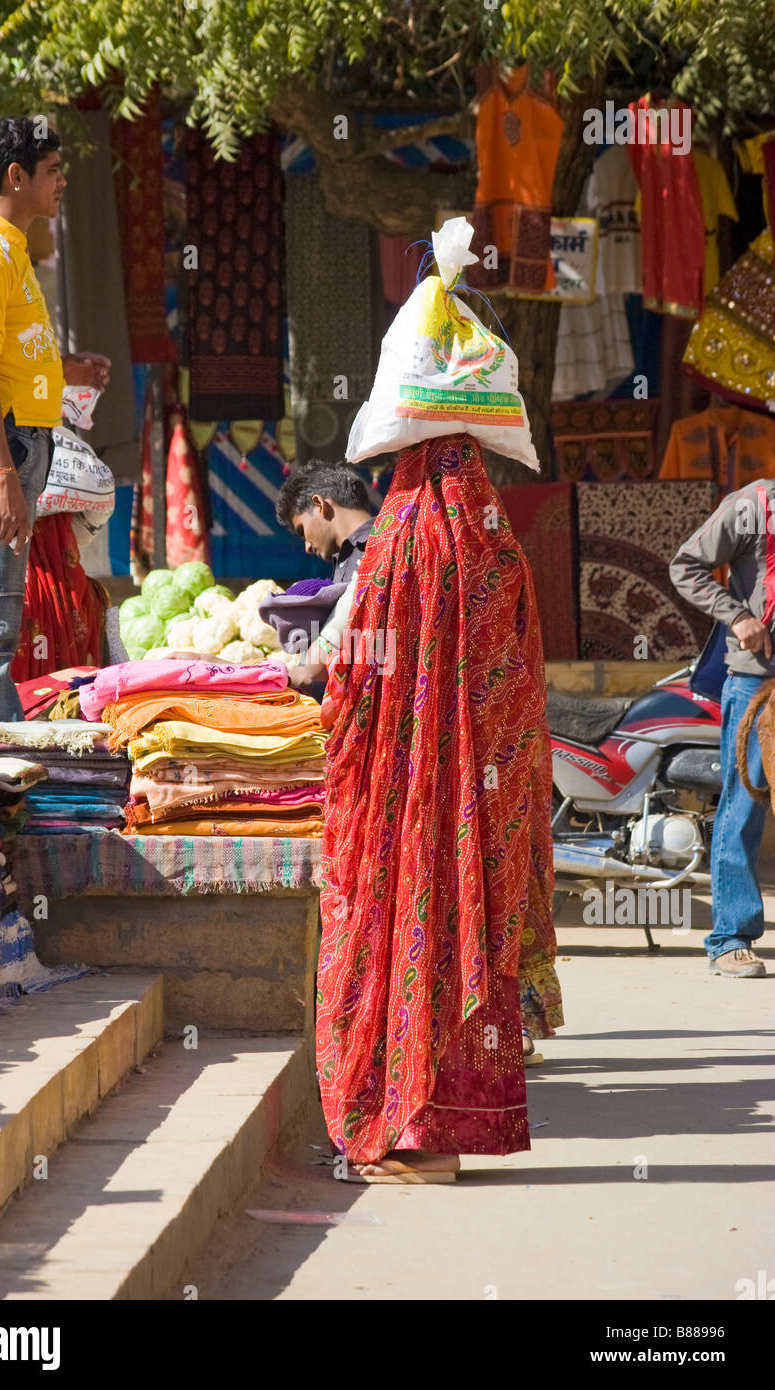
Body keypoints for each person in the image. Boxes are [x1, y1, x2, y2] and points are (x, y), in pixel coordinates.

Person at [316, 432, 559, 1182]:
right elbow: (523, 683)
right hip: (487, 803)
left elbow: (353, 680)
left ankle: (414, 1140)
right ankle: (454, 1131)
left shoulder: (394, 547)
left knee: (402, 938)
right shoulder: (500, 547)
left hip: (406, 802)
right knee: (472, 942)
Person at [0, 116, 110, 722]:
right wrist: (4, 473)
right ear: (16, 175)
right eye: (54, 171)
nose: (63, 182)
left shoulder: (6, 244)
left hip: (11, 445)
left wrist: (62, 367)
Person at [671, 478, 775, 978]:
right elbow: (685, 565)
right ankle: (730, 938)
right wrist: (738, 617)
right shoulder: (751, 506)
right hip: (758, 685)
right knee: (744, 806)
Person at [275, 462, 375, 691]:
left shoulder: (377, 550)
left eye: (302, 531)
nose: (307, 547)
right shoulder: (347, 557)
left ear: (319, 505)